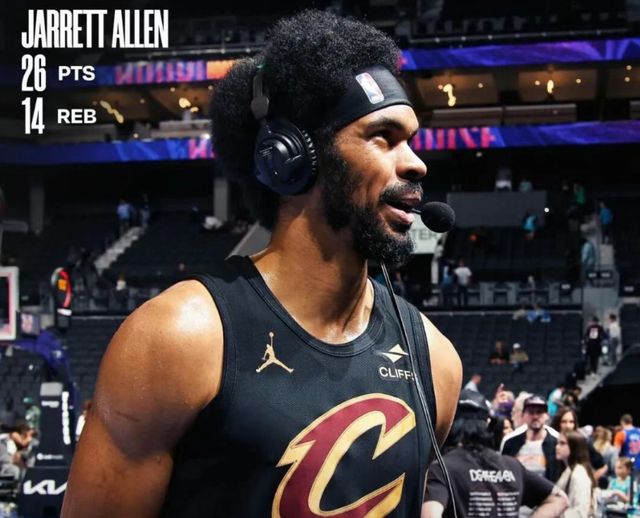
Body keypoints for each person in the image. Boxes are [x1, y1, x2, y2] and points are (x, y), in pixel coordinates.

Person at [61, 10, 463, 518]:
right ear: (291, 157)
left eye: (411, 140)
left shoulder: (437, 362)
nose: (416, 163)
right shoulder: (179, 338)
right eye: (382, 136)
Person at [424, 389, 568, 518]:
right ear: (487, 422)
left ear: (451, 422)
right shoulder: (513, 466)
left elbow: (430, 514)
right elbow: (560, 499)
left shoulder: (443, 468)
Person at [502, 395, 561, 482]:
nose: (535, 416)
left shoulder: (556, 444)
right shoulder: (510, 443)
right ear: (523, 415)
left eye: (539, 412)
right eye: (531, 412)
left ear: (547, 415)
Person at [550, 407, 607, 483]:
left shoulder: (583, 443)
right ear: (558, 423)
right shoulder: (550, 441)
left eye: (571, 422)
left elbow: (603, 467)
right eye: (564, 422)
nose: (568, 426)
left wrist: (589, 482)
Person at [555, 431, 597, 518]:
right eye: (557, 443)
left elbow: (580, 512)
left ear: (574, 447)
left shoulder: (579, 474)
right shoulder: (570, 470)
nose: (557, 447)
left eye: (562, 443)